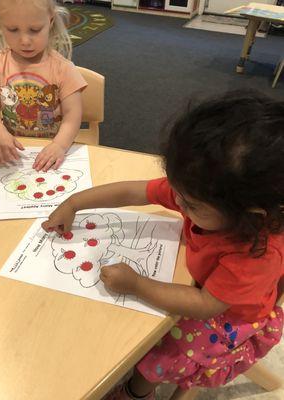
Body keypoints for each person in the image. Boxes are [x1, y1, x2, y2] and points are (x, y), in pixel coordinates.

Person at [41, 90, 284, 400]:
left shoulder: (255, 255)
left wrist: (137, 284)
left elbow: (207, 304)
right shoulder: (202, 191)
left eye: (191, 204)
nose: (177, 201)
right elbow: (134, 192)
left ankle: (135, 392)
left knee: (158, 357)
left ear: (249, 216)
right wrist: (75, 202)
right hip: (204, 286)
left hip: (230, 319)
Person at [0, 0, 86, 171]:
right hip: (14, 153)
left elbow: (73, 115)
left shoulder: (64, 68)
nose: (25, 41)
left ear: (51, 21)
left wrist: (60, 145)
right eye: (13, 29)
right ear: (0, 24)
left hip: (52, 149)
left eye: (35, 30)